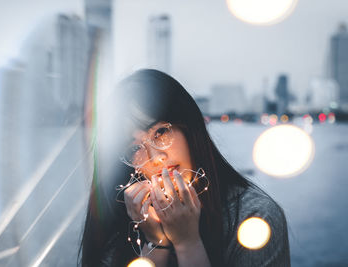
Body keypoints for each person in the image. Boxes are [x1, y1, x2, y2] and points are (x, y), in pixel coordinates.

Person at [78, 69, 290, 267]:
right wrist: (156, 242)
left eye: (160, 133)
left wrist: (188, 243)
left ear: (188, 127)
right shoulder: (125, 220)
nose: (156, 158)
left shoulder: (254, 218)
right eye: (135, 149)